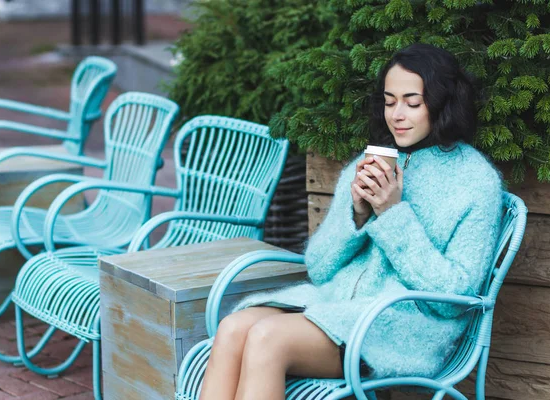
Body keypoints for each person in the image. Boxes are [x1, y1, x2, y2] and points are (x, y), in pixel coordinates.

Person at [199, 43, 504, 400]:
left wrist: (392, 215)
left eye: (413, 102)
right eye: (390, 102)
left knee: (268, 339)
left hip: (403, 329)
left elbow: (455, 299)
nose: (397, 115)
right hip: (336, 308)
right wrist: (356, 216)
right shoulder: (371, 162)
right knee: (234, 328)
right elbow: (319, 267)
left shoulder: (475, 182)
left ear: (442, 102)